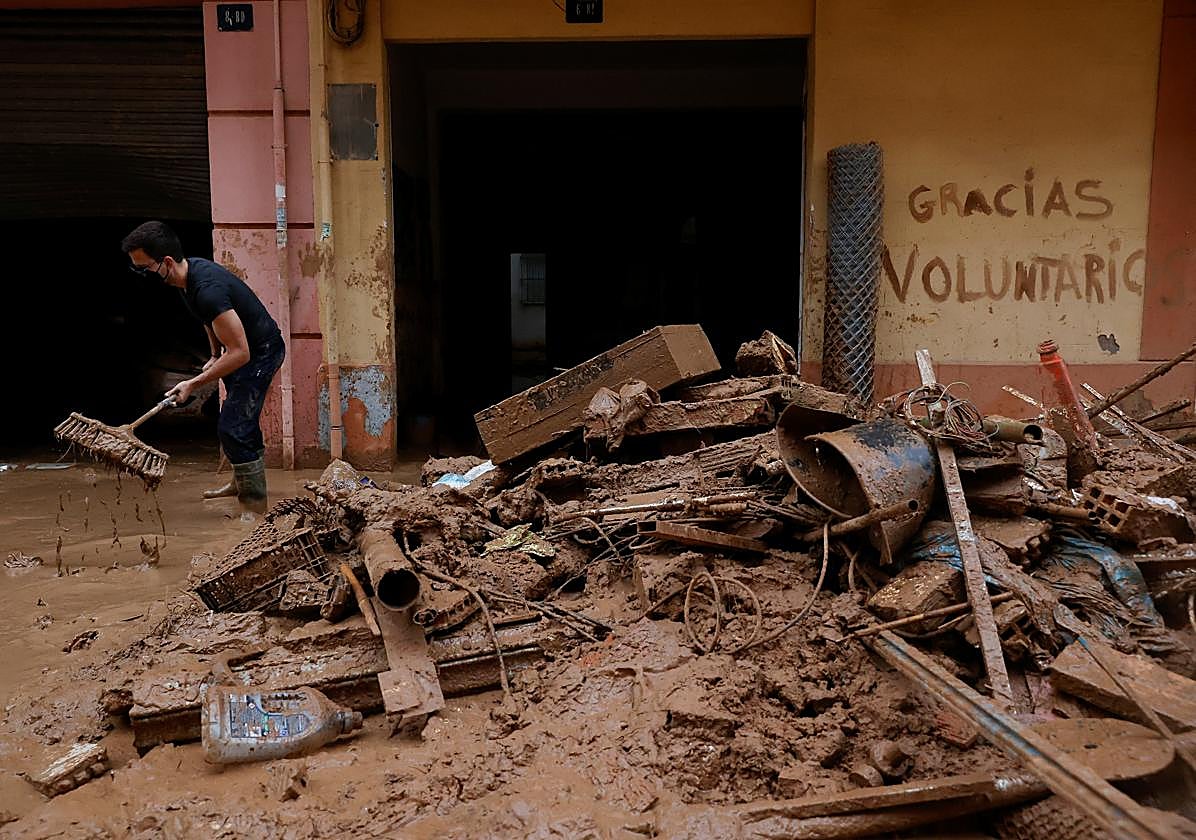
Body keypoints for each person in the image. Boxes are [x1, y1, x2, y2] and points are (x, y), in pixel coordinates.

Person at [121, 221, 285, 509]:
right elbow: (208, 319)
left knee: (233, 426)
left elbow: (241, 354)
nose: (143, 275)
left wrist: (193, 383)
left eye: (145, 269)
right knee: (241, 421)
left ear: (166, 262)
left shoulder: (208, 290)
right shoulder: (187, 279)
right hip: (242, 350)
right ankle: (240, 482)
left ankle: (254, 504)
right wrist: (214, 353)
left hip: (261, 353)